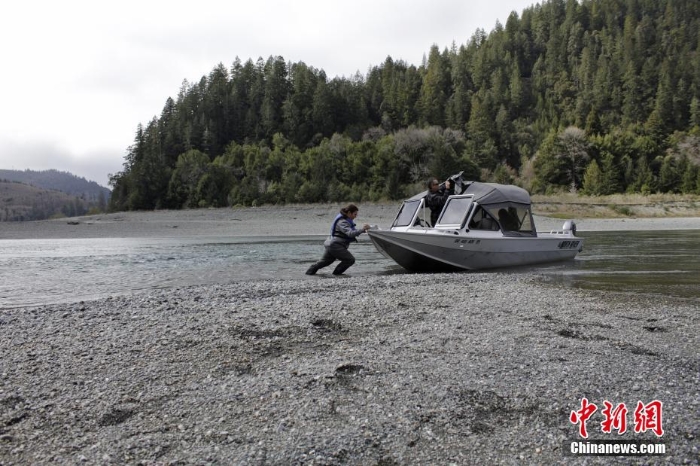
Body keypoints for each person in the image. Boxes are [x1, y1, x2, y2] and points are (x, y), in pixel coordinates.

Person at [305, 204, 370, 276]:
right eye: (355, 214)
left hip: (331, 244)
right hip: (335, 245)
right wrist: (362, 230)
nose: (356, 216)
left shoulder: (344, 220)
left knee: (325, 262)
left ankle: (308, 274)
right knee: (350, 260)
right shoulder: (342, 222)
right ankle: (337, 275)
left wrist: (363, 230)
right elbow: (350, 233)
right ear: (349, 213)